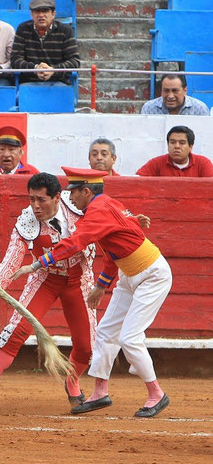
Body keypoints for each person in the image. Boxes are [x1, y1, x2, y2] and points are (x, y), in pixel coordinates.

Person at [13, 167, 173, 418]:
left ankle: (156, 394)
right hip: (128, 275)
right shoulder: (106, 204)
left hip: (152, 276)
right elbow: (113, 251)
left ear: (86, 191)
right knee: (106, 333)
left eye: (74, 193)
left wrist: (35, 264)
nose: (71, 198)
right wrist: (101, 285)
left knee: (129, 338)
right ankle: (100, 391)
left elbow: (76, 242)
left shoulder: (97, 213)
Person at [0, 173, 96, 408]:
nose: (35, 206)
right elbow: (9, 265)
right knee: (16, 331)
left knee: (86, 344)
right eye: (31, 200)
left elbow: (111, 219)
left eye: (41, 200)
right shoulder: (26, 221)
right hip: (45, 280)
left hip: (79, 280)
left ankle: (72, 383)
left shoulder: (77, 206)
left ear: (58, 197)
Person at [10, 0, 80, 85]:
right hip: (29, 81)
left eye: (45, 11)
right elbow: (15, 59)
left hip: (58, 81)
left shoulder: (65, 30)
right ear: (31, 14)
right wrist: (35, 69)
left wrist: (53, 70)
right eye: (37, 11)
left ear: (53, 14)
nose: (41, 15)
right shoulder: (23, 29)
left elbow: (75, 61)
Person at [136, 125, 213, 177]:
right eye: (172, 142)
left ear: (191, 147)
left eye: (182, 143)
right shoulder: (156, 163)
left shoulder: (203, 163)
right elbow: (137, 183)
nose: (176, 146)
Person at [140, 74, 209, 116]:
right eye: (166, 90)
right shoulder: (149, 108)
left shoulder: (200, 109)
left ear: (185, 90)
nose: (170, 96)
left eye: (175, 91)